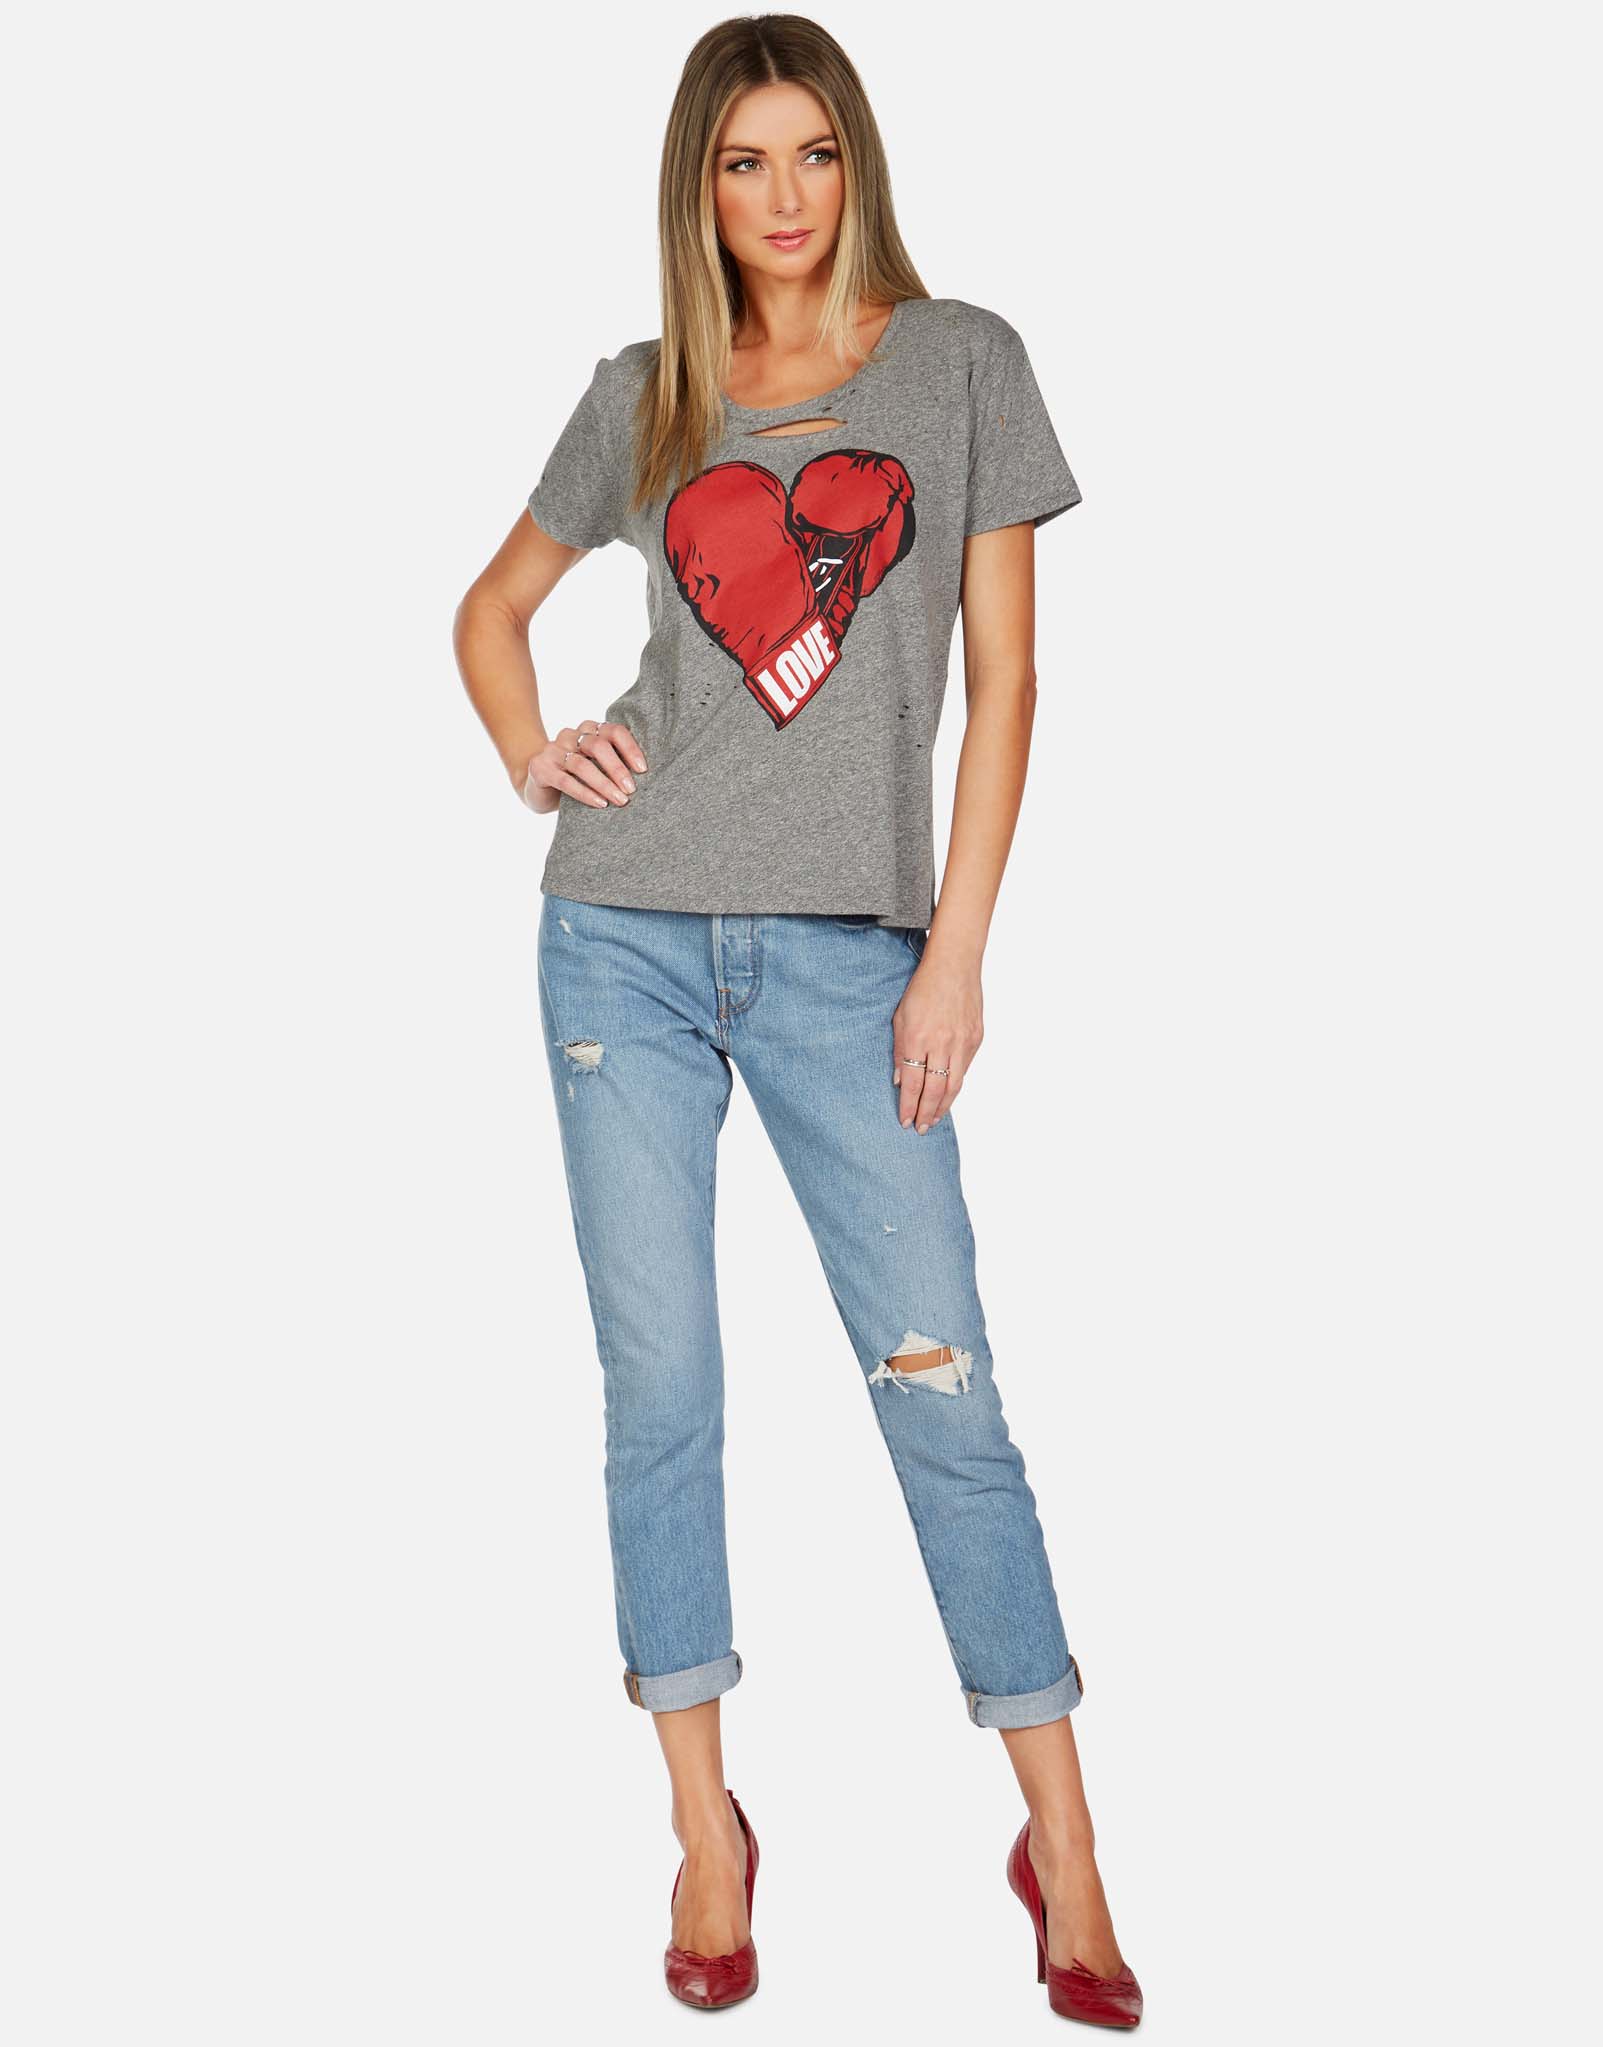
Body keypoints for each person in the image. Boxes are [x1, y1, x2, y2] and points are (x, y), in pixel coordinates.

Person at [453, 13, 1141, 2026]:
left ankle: (1066, 1844)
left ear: (858, 164)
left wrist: (957, 952)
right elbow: (487, 612)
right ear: (699, 184)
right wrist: (532, 752)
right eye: (743, 161)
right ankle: (704, 1829)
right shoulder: (646, 392)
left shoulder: (960, 365)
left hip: (859, 958)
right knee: (661, 1391)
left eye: (813, 154)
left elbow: (1007, 684)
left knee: (944, 1390)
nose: (782, 196)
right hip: (623, 940)